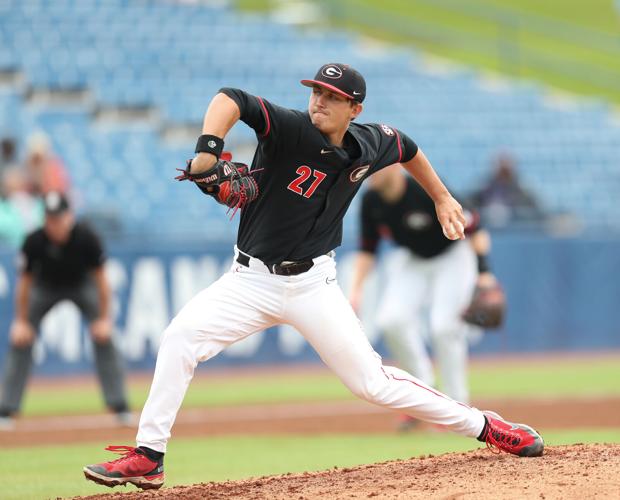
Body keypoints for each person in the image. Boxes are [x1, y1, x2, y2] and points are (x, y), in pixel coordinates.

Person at [83, 63, 544, 491]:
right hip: (249, 282)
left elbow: (408, 147)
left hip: (313, 285)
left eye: (332, 96)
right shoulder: (290, 128)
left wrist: (442, 197)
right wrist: (208, 149)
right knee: (180, 337)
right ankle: (149, 455)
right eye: (316, 91)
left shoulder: (369, 142)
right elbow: (231, 99)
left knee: (373, 383)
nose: (319, 101)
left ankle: (488, 426)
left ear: (354, 109)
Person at [349, 164, 497, 430]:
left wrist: (484, 272)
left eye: (376, 167)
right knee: (390, 320)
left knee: (444, 327)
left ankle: (457, 404)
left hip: (453, 253)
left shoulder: (422, 189)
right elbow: (367, 249)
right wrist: (356, 290)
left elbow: (475, 226)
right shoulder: (371, 200)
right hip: (414, 258)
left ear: (394, 167)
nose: (370, 174)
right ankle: (424, 397)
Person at [0, 192, 130, 430]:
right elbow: (25, 283)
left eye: (58, 219)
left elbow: (102, 281)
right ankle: (6, 408)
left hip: (81, 285)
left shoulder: (86, 237)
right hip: (45, 287)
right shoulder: (34, 241)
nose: (54, 225)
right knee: (21, 338)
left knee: (105, 337)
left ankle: (119, 404)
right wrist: (20, 320)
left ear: (68, 217)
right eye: (49, 219)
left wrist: (104, 319)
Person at [469, 152, 542, 228]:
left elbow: (534, 213)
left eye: (506, 170)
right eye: (501, 168)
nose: (503, 173)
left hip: (515, 230)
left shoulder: (522, 192)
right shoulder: (485, 188)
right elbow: (471, 205)